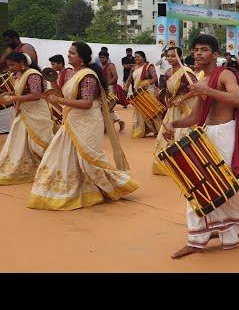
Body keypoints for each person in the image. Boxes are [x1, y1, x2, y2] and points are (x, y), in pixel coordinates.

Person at [162, 34, 239, 257]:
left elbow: (238, 100)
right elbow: (195, 117)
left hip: (225, 133)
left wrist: (206, 90)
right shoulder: (200, 80)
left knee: (229, 184)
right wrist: (173, 123)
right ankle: (196, 238)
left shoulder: (224, 74)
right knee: (196, 185)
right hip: (206, 134)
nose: (197, 53)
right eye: (195, 49)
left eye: (203, 49)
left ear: (215, 54)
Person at [29, 42, 138, 210]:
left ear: (82, 57)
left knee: (89, 160)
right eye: (69, 53)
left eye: (72, 53)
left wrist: (59, 100)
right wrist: (55, 86)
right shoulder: (74, 74)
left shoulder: (88, 76)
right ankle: (75, 190)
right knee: (61, 155)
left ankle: (117, 184)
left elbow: (87, 103)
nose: (68, 56)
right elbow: (66, 96)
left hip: (87, 121)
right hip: (72, 120)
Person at [0, 52, 54, 185]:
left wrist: (13, 98)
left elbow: (36, 95)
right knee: (18, 142)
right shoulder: (21, 75)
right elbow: (24, 92)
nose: (10, 68)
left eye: (12, 64)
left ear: (22, 63)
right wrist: (12, 95)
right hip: (24, 113)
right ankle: (29, 169)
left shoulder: (33, 74)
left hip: (36, 113)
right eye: (8, 65)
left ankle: (55, 166)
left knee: (40, 143)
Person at [152, 47, 198, 175]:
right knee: (166, 134)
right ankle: (170, 165)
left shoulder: (186, 71)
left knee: (182, 135)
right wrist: (162, 95)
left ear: (180, 56)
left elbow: (195, 89)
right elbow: (168, 90)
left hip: (186, 107)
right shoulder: (168, 72)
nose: (170, 58)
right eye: (168, 56)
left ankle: (188, 166)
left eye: (173, 56)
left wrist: (181, 99)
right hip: (173, 108)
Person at [124, 50, 159, 138]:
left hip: (148, 91)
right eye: (135, 57)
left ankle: (158, 129)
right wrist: (126, 87)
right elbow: (129, 79)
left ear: (143, 57)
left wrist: (147, 84)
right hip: (138, 91)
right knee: (140, 110)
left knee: (151, 110)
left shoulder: (149, 66)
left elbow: (155, 78)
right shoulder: (133, 68)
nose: (136, 58)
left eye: (138, 56)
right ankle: (140, 131)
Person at [99, 51, 125, 132]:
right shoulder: (101, 67)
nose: (101, 59)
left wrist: (107, 84)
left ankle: (106, 127)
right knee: (106, 108)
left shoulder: (111, 66)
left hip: (111, 90)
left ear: (107, 58)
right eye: (100, 57)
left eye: (103, 57)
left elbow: (115, 77)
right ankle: (118, 121)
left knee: (105, 108)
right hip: (104, 90)